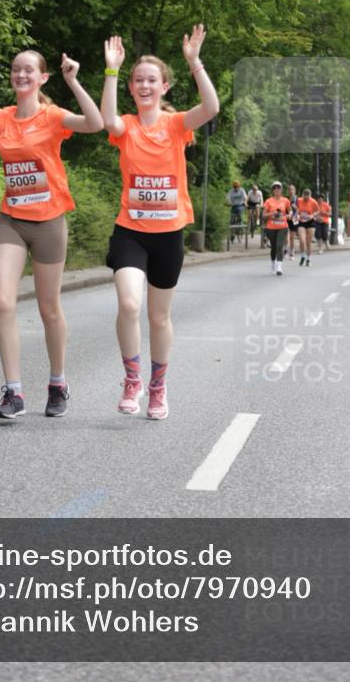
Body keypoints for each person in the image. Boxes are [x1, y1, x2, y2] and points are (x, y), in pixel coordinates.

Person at [0, 43, 103, 419]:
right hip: (12, 219)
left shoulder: (53, 116)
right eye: (16, 69)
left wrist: (74, 82)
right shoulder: (1, 118)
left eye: (29, 70)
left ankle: (58, 382)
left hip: (49, 221)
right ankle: (14, 393)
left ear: (43, 77)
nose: (21, 74)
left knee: (49, 309)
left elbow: (95, 124)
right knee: (2, 302)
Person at [101, 26, 219, 420]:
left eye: (152, 80)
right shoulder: (126, 127)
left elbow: (212, 108)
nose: (145, 85)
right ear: (132, 88)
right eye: (139, 81)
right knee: (129, 303)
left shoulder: (177, 125)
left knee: (158, 316)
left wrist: (194, 62)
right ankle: (132, 380)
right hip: (131, 231)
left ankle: (158, 387)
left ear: (165, 86)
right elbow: (106, 119)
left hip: (168, 234)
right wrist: (112, 72)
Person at [262, 181, 291, 275]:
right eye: (274, 188)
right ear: (272, 190)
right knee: (273, 248)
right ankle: (273, 263)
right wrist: (272, 214)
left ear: (281, 190)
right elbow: (264, 215)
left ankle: (279, 266)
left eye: (278, 188)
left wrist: (288, 216)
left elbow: (290, 212)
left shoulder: (285, 201)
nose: (277, 189)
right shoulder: (268, 201)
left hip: (283, 226)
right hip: (271, 227)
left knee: (279, 246)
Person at [296, 187, 319, 266]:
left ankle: (308, 259)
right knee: (302, 240)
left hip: (310, 222)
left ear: (310, 196)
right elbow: (294, 209)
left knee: (308, 242)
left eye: (307, 197)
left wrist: (312, 215)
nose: (306, 198)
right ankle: (303, 256)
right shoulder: (299, 200)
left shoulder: (313, 202)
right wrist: (297, 215)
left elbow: (317, 211)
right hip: (301, 222)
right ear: (302, 195)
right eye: (304, 197)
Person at [285, 183, 299, 259]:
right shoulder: (286, 199)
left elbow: (299, 209)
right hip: (287, 218)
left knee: (292, 237)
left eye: (292, 189)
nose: (291, 191)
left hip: (294, 218)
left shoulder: (297, 199)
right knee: (286, 236)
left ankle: (292, 251)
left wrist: (296, 208)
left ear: (295, 190)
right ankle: (286, 250)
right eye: (290, 189)